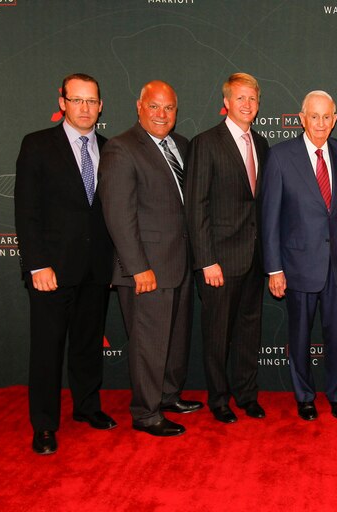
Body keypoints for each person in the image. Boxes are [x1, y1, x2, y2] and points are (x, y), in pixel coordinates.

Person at [15, 73, 116, 455]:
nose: (85, 108)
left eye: (91, 101)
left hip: (96, 268)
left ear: (100, 106)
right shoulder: (38, 145)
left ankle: (87, 407)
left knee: (88, 344)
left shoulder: (110, 149)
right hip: (51, 272)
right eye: (77, 100)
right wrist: (37, 265)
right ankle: (44, 424)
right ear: (62, 103)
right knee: (47, 349)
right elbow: (26, 211)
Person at [98, 80, 202, 437]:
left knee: (173, 339)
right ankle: (145, 412)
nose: (162, 114)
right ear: (139, 106)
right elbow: (118, 215)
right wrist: (138, 267)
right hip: (146, 268)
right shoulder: (121, 148)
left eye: (169, 108)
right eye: (154, 106)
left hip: (179, 262)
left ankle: (168, 396)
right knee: (148, 343)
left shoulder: (181, 145)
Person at [260, 91, 337, 421]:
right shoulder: (280, 156)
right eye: (314, 116)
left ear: (335, 119)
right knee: (299, 336)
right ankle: (305, 396)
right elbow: (269, 216)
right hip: (297, 265)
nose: (321, 123)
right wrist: (274, 269)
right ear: (302, 118)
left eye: (327, 117)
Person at [185, 73, 269, 424]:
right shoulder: (206, 143)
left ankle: (247, 395)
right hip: (219, 261)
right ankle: (219, 399)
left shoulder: (261, 143)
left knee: (249, 332)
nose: (247, 104)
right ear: (226, 102)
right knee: (217, 335)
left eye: (252, 98)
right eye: (240, 98)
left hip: (254, 258)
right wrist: (206, 260)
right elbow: (196, 206)